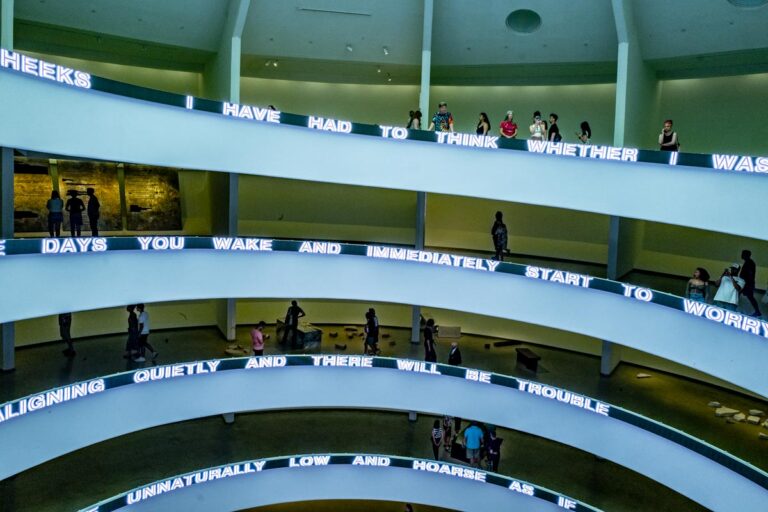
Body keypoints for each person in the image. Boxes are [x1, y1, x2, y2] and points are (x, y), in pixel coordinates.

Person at [740, 250, 762, 317]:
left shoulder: (750, 263)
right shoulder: (748, 262)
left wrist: (745, 284)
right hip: (747, 283)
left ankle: (758, 312)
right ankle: (757, 312)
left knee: (750, 297)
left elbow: (749, 275)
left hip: (747, 284)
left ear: (746, 255)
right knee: (750, 297)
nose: (741, 255)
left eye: (743, 254)